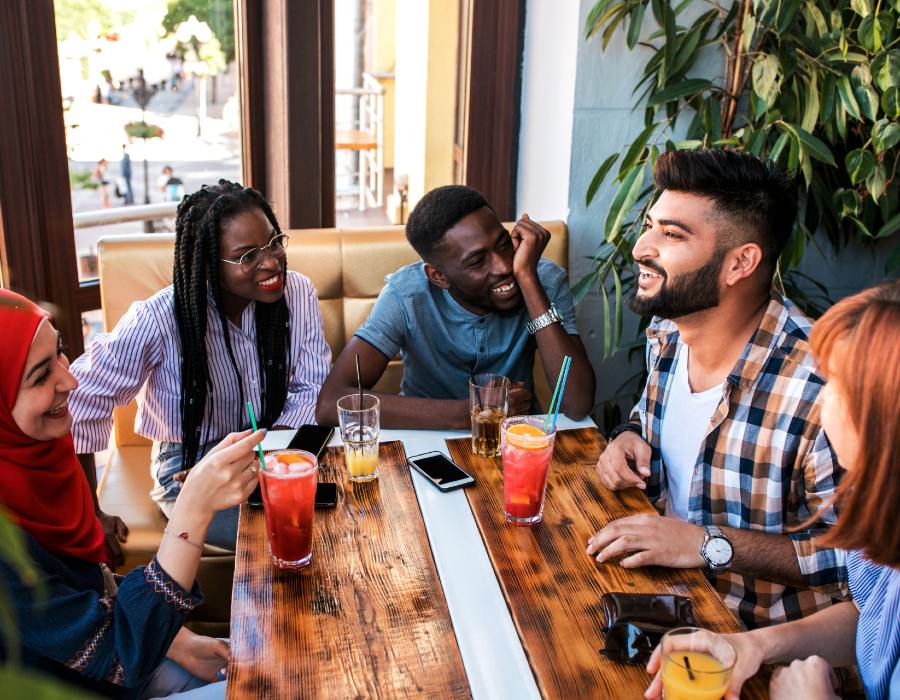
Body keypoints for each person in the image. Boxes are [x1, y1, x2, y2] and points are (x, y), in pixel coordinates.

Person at [586, 149, 848, 629]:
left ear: (739, 263)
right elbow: (650, 421)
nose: (642, 247)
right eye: (650, 225)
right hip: (661, 606)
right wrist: (627, 434)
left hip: (762, 653)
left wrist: (706, 544)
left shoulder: (824, 390)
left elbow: (859, 566)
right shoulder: (668, 331)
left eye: (672, 234)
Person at [0, 288, 263, 698]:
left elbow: (83, 595)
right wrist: (192, 507)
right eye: (39, 376)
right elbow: (122, 655)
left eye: (61, 352)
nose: (70, 379)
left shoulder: (36, 457)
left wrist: (180, 643)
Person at [643, 282, 900, 700]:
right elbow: (868, 623)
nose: (821, 396)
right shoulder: (881, 546)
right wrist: (753, 646)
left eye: (835, 383)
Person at [69, 180, 331, 551]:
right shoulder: (161, 318)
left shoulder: (297, 292)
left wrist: (266, 457)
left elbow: (310, 388)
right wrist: (90, 512)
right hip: (189, 466)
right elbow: (78, 400)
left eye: (274, 242)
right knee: (284, 531)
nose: (271, 262)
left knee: (329, 518)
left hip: (273, 448)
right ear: (209, 263)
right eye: (247, 256)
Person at [315, 184, 595, 429]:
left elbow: (578, 403)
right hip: (424, 444)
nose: (503, 266)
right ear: (438, 276)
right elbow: (330, 403)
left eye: (503, 244)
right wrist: (471, 412)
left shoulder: (540, 278)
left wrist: (527, 278)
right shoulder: (406, 296)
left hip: (515, 441)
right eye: (477, 261)